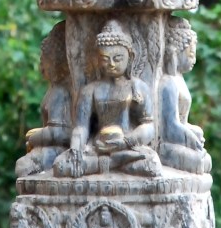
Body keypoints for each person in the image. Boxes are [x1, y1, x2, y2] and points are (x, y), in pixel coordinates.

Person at [53, 22, 161, 178]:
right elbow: (82, 127)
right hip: (98, 147)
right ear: (97, 60)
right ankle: (114, 164)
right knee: (60, 166)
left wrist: (126, 142)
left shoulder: (138, 87)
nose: (111, 64)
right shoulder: (90, 90)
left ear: (130, 57)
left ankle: (106, 164)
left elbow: (149, 125)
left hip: (128, 146)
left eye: (118, 58)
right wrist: (76, 149)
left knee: (152, 165)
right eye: (105, 59)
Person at [15, 22, 72, 177]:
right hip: (50, 145)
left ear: (59, 64)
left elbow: (61, 133)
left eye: (45, 61)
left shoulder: (61, 92)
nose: (41, 66)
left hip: (60, 148)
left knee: (23, 166)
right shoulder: (53, 90)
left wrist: (34, 138)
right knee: (23, 166)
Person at [158, 17, 211, 174]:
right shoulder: (168, 82)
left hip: (180, 141)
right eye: (190, 54)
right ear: (176, 51)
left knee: (205, 161)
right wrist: (191, 139)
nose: (193, 59)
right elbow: (169, 126)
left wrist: (195, 132)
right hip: (166, 144)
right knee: (199, 163)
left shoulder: (179, 79)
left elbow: (183, 123)